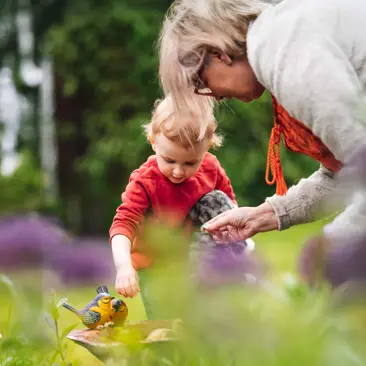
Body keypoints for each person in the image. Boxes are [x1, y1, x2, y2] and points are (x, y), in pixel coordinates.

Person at [158, 0, 366, 245]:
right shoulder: (283, 36)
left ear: (217, 53)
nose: (213, 95)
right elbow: (347, 174)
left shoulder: (289, 57)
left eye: (201, 81)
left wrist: (331, 253)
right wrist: (263, 216)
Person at [109, 95, 238, 319]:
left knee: (201, 323)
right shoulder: (145, 181)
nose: (178, 171)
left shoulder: (211, 168)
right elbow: (123, 224)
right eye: (169, 160)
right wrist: (123, 266)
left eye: (189, 163)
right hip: (156, 267)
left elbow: (229, 209)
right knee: (166, 325)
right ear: (153, 141)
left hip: (193, 262)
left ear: (207, 147)